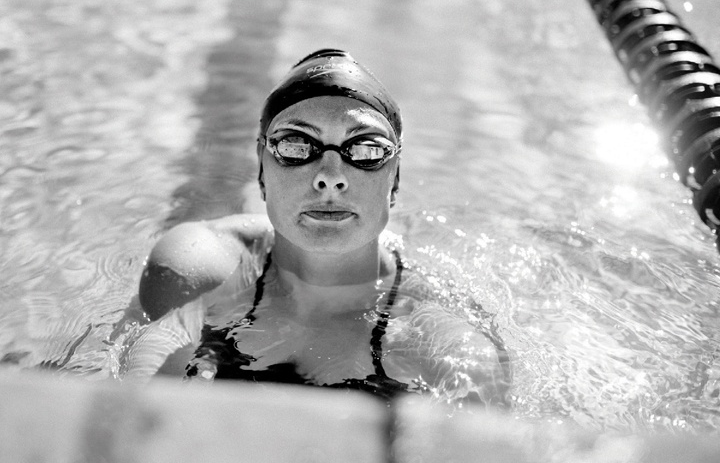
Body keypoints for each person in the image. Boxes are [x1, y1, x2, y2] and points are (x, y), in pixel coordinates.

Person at [123, 49, 509, 405]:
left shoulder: (439, 340)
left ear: (394, 179)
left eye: (366, 149)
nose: (330, 176)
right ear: (261, 167)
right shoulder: (196, 270)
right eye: (296, 144)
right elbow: (118, 421)